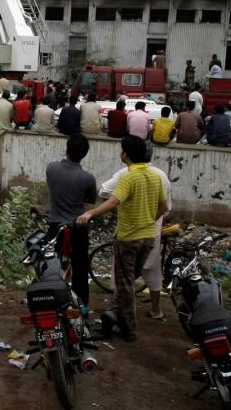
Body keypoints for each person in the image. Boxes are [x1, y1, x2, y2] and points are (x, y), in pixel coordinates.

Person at [77, 136, 167, 342]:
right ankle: (112, 315)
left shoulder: (128, 177)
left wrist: (90, 214)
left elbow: (112, 201)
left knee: (125, 284)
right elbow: (163, 206)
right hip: (148, 238)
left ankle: (129, 329)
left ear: (126, 154)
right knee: (128, 281)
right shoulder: (154, 176)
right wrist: (147, 220)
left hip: (129, 238)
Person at [98, 148, 172, 321]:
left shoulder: (126, 174)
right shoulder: (160, 175)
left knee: (123, 274)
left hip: (130, 232)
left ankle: (123, 313)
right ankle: (155, 310)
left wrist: (116, 211)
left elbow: (104, 192)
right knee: (153, 271)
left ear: (128, 155)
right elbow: (166, 207)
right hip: (152, 231)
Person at [45, 134, 97, 307]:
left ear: (66, 149)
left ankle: (51, 302)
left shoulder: (51, 168)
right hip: (78, 228)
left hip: (55, 227)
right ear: (84, 154)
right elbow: (91, 200)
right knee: (80, 270)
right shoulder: (87, 178)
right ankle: (81, 307)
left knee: (52, 267)